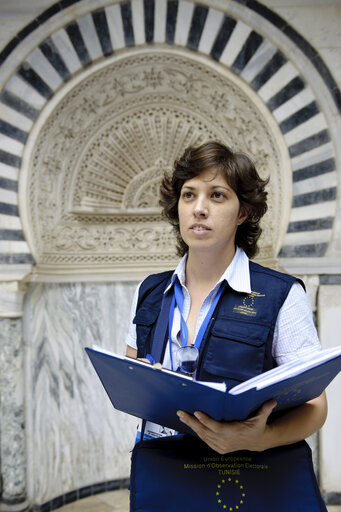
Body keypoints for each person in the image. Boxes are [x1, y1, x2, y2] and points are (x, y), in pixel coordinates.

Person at [126, 141, 328, 511]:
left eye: (217, 195)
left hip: (252, 478)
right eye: (189, 195)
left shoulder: (281, 294)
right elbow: (131, 376)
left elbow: (316, 406)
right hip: (166, 472)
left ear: (243, 212)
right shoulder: (151, 290)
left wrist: (260, 438)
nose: (199, 208)